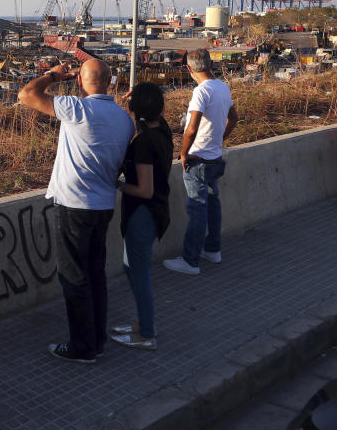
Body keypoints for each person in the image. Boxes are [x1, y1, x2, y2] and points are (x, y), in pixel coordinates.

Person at [17, 59, 135, 364]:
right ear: (109, 82)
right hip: (103, 204)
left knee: (74, 276)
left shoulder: (77, 109)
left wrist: (53, 76)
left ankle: (82, 347)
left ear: (80, 82)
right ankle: (97, 339)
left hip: (74, 205)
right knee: (95, 274)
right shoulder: (124, 120)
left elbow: (26, 95)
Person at [163, 48, 238, 276]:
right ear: (211, 65)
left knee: (197, 210)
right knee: (213, 204)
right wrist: (220, 138)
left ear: (188, 68)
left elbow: (192, 128)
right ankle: (213, 250)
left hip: (198, 160)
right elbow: (233, 118)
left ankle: (190, 261)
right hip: (215, 157)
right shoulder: (222, 87)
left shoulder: (200, 91)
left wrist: (184, 153)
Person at [110, 82, 173, 351]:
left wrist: (119, 185)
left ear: (135, 110)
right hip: (156, 211)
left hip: (143, 213)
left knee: (139, 273)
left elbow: (144, 190)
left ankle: (146, 333)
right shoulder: (162, 129)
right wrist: (140, 93)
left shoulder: (144, 144)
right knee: (132, 268)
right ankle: (141, 324)